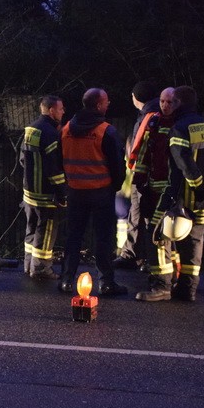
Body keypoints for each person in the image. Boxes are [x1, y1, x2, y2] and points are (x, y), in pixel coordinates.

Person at [137, 86, 204, 302]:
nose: (168, 106)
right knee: (194, 243)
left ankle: (162, 286)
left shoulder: (180, 127)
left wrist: (199, 185)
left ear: (180, 103)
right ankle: (187, 289)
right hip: (203, 201)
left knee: (157, 234)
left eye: (172, 102)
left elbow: (182, 162)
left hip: (177, 195)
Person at [58, 88, 129, 296]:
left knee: (73, 237)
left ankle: (66, 280)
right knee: (103, 238)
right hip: (101, 193)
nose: (108, 104)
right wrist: (114, 185)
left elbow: (59, 160)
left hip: (75, 192)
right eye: (106, 101)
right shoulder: (106, 131)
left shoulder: (66, 129)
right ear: (98, 105)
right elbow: (117, 165)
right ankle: (106, 283)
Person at [114, 80, 161, 270]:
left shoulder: (148, 117)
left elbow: (139, 149)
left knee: (143, 216)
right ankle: (140, 256)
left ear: (136, 97)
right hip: (147, 176)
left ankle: (137, 256)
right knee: (142, 216)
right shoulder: (154, 114)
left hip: (142, 176)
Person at [20, 95, 68, 280]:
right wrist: (62, 192)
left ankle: (28, 264)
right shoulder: (51, 134)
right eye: (61, 108)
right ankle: (40, 269)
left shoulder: (31, 129)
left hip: (29, 192)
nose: (63, 112)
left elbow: (22, 159)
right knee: (46, 231)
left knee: (31, 228)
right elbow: (53, 168)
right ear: (51, 111)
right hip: (45, 194)